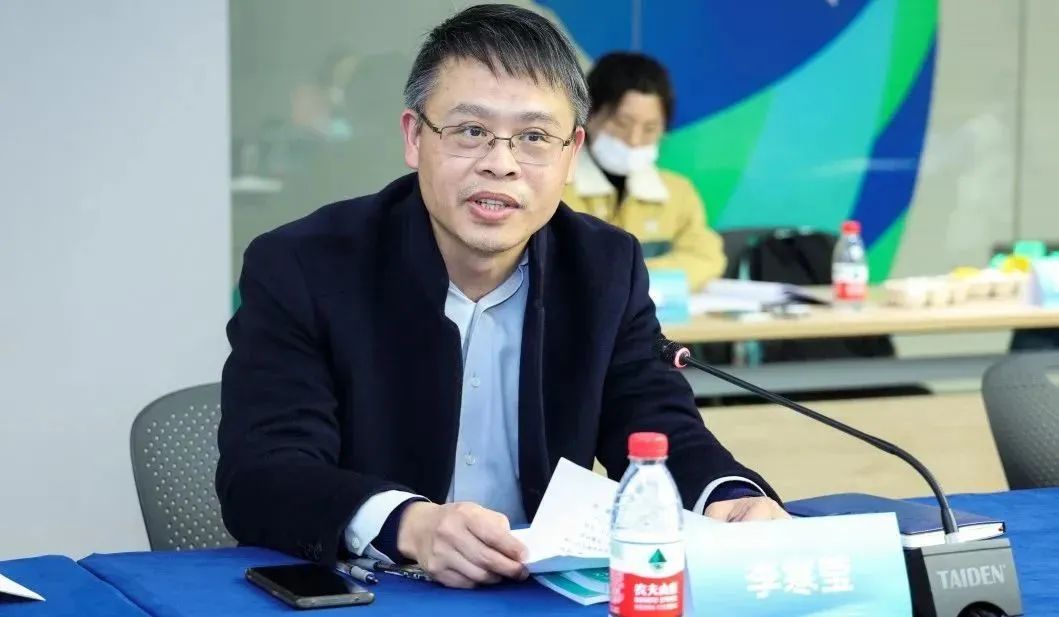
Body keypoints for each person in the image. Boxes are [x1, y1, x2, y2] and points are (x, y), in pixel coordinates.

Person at [217, 3, 786, 591]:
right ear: (414, 136)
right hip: (374, 591)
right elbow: (263, 472)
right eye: (470, 131)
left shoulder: (603, 267)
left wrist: (727, 495)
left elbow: (658, 427)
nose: (500, 164)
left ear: (571, 153)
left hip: (534, 594)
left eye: (535, 137)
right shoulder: (304, 267)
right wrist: (410, 524)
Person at [563, 52, 726, 291]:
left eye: (650, 128)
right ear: (589, 114)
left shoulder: (678, 193)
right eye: (622, 124)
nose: (634, 140)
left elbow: (706, 258)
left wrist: (631, 280)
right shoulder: (558, 188)